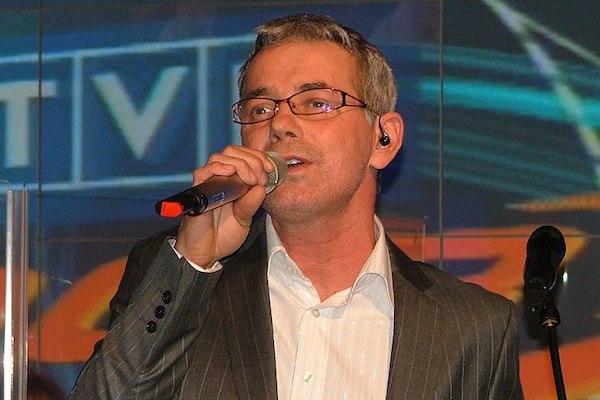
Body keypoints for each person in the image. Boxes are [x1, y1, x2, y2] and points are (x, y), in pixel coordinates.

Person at [68, 14, 523, 400]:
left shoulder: (472, 327)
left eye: (316, 103)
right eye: (260, 109)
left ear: (383, 139)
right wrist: (193, 261)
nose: (281, 124)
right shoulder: (176, 274)